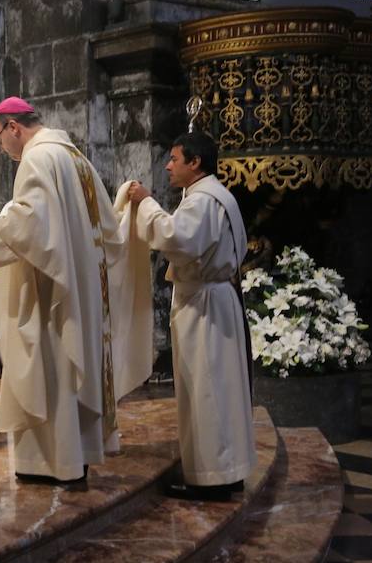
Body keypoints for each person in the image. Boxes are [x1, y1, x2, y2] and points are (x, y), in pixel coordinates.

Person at [0, 97, 153, 484]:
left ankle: (54, 463)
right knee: (67, 366)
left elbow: (29, 223)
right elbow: (99, 224)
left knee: (53, 366)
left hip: (53, 289)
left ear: (14, 127)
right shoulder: (73, 154)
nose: (2, 148)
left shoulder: (38, 157)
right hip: (80, 282)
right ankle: (75, 457)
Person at [127, 131, 256, 501]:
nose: (168, 166)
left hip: (205, 307)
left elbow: (176, 240)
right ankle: (227, 471)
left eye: (174, 159)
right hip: (218, 298)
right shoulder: (218, 195)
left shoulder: (201, 201)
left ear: (195, 162)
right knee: (223, 389)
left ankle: (209, 479)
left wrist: (147, 203)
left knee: (207, 389)